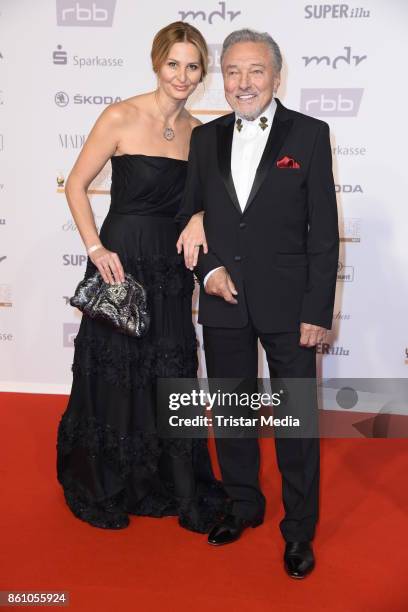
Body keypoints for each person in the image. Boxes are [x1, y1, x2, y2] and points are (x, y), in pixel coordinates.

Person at [177, 29, 339, 577]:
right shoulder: (205, 139)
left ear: (276, 76)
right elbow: (189, 218)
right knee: (231, 413)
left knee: (297, 424)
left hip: (292, 306)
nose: (243, 83)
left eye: (255, 71)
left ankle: (298, 531)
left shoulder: (311, 135)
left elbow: (324, 232)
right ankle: (243, 504)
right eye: (233, 72)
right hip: (223, 300)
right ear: (223, 79)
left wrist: (318, 310)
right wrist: (209, 269)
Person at [56, 21, 225, 532]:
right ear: (157, 63)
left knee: (168, 370)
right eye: (173, 63)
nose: (182, 74)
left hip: (171, 268)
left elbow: (205, 202)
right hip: (121, 260)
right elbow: (76, 185)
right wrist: (94, 246)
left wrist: (198, 217)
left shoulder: (200, 133)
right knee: (116, 370)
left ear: (201, 72)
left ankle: (171, 480)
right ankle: (105, 481)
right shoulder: (121, 116)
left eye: (192, 65)